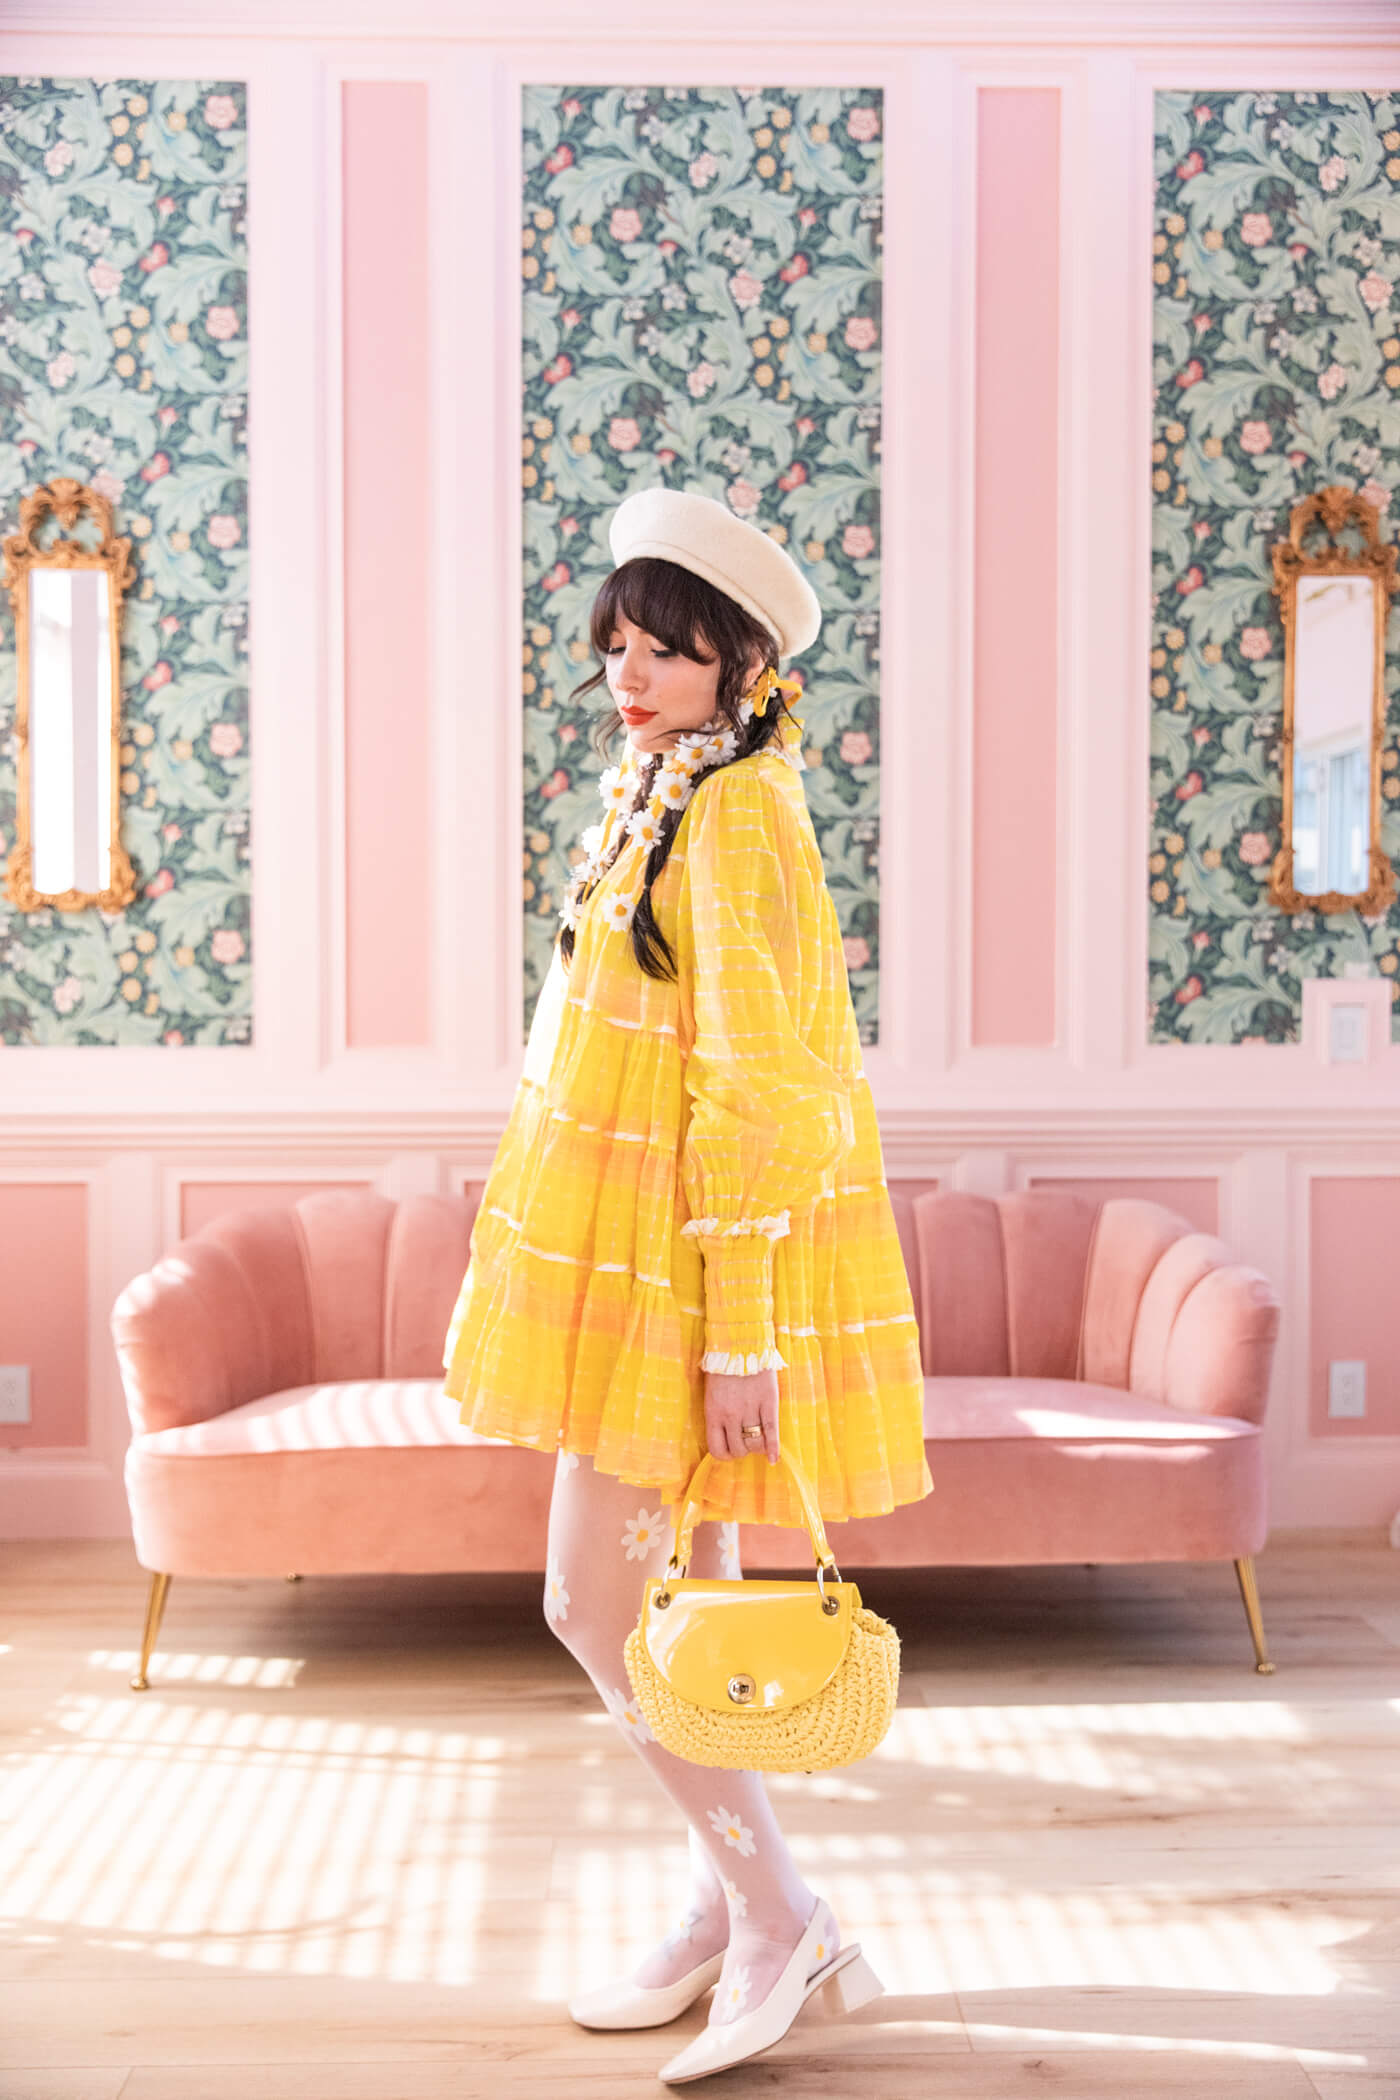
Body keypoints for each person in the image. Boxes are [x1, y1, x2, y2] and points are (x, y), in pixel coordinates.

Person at [441, 485, 933, 2082]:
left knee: (593, 1601)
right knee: (679, 1619)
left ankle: (784, 1909)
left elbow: (765, 1093)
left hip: (684, 1284)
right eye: (619, 648)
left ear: (740, 661)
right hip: (622, 1264)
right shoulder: (663, 788)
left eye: (664, 651)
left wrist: (742, 1337)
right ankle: (732, 1906)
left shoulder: (739, 817)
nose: (629, 676)